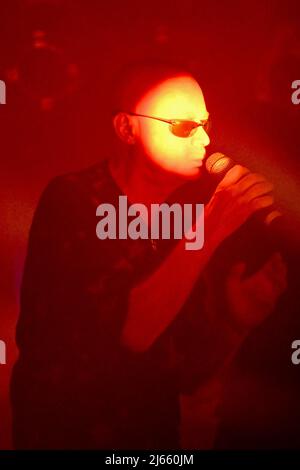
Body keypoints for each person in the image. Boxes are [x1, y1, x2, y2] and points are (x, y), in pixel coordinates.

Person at [10, 61, 287, 449]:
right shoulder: (72, 200)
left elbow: (185, 374)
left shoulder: (187, 217)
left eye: (205, 125)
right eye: (184, 127)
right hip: (66, 433)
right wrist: (211, 227)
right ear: (127, 128)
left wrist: (234, 320)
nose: (205, 142)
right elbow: (131, 334)